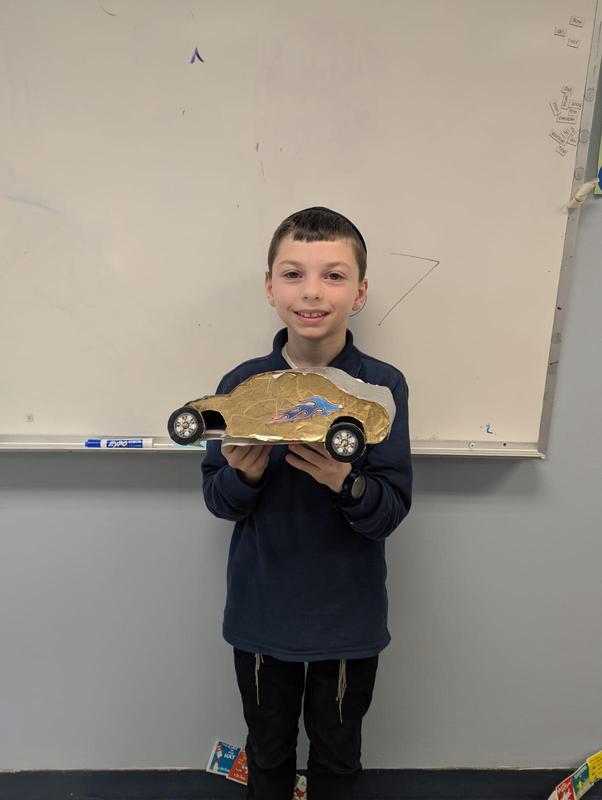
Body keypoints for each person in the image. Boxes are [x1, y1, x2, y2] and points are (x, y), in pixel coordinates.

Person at [201, 206, 412, 800]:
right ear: (270, 288)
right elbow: (218, 500)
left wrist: (346, 483)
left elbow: (391, 509)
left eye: (334, 275)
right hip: (262, 614)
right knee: (267, 754)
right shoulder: (242, 384)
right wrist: (243, 477)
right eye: (293, 274)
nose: (312, 291)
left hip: (347, 619)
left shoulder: (382, 387)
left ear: (360, 292)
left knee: (337, 758)